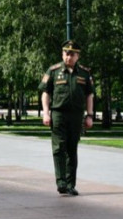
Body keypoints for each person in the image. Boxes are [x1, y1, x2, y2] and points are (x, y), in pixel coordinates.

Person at [38, 40, 95, 196]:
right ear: (62, 54)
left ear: (78, 56)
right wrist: (46, 112)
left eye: (72, 54)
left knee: (72, 149)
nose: (68, 57)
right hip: (58, 114)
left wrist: (89, 115)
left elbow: (90, 94)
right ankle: (61, 182)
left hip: (76, 116)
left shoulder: (84, 73)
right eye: (66, 53)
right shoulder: (53, 71)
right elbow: (45, 93)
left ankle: (70, 184)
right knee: (58, 148)